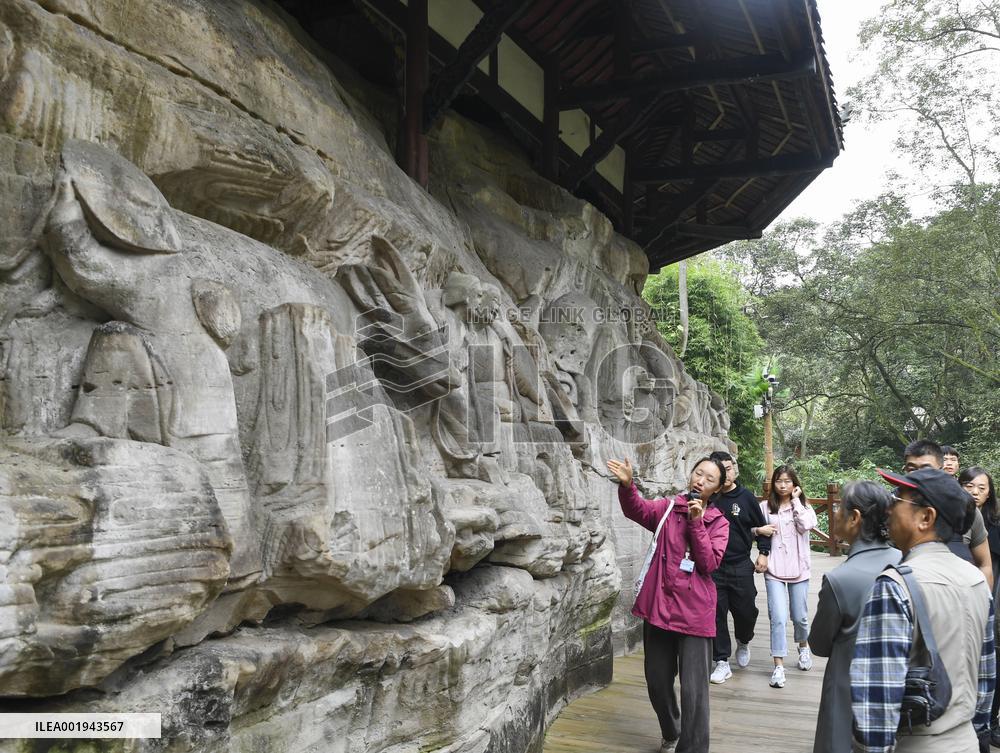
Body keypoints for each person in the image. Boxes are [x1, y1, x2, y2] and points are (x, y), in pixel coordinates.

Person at [851, 467, 995, 752]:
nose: (889, 507)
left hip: (916, 743)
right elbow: (985, 677)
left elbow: (876, 702)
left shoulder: (894, 585)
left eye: (897, 499)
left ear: (926, 518)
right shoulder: (976, 580)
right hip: (965, 740)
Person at [607, 456, 729, 753]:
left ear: (717, 489)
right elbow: (637, 510)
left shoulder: (719, 522)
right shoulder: (667, 508)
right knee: (657, 682)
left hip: (696, 614)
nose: (701, 480)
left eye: (709, 479)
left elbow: (709, 563)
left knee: (694, 692)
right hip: (659, 607)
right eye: (698, 473)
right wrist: (628, 486)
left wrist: (697, 523)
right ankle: (671, 730)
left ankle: (694, 748)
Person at [808, 481, 901, 753]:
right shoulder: (904, 561)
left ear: (855, 518)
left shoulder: (840, 579)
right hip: (896, 690)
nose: (833, 515)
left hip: (847, 688)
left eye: (838, 509)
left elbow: (819, 644)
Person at [707, 450, 771, 684]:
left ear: (735, 469)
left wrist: (763, 552)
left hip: (741, 564)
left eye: (729, 467)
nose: (726, 473)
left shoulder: (746, 498)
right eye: (720, 469)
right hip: (713, 567)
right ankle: (721, 660)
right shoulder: (709, 498)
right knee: (716, 613)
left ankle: (744, 640)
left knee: (746, 612)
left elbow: (762, 528)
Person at [903, 439, 993, 587]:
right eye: (912, 469)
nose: (919, 475)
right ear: (905, 470)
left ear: (940, 469)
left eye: (927, 469)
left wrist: (984, 604)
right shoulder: (896, 507)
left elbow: (985, 565)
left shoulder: (966, 509)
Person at [758, 464, 817, 688]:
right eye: (779, 481)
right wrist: (758, 531)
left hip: (799, 569)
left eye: (787, 481)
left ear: (795, 484)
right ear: (773, 484)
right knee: (779, 617)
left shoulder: (803, 506)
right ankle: (779, 666)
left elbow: (808, 525)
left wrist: (796, 501)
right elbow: (751, 527)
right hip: (773, 569)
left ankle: (803, 647)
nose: (783, 485)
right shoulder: (765, 507)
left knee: (800, 616)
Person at [960, 466, 1000, 746]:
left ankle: (990, 720)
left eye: (982, 488)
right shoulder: (956, 516)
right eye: (970, 486)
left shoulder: (996, 520)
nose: (975, 492)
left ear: (990, 492)